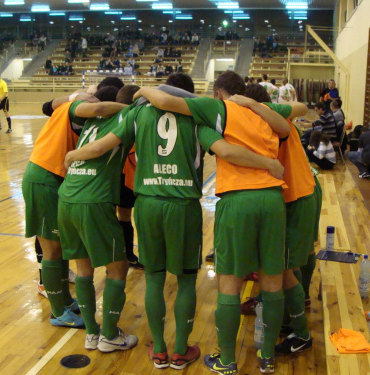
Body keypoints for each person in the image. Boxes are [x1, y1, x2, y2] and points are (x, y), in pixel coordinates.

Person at [63, 73, 286, 371]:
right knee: (185, 281)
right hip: (183, 206)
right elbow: (225, 150)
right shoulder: (195, 117)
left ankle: (159, 350)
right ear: (189, 95)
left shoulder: (138, 111)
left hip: (148, 204)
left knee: (154, 279)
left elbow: (100, 146)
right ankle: (181, 350)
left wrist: (72, 155)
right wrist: (268, 164)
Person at [128, 71, 290, 374]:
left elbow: (223, 148)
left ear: (217, 93)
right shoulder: (264, 113)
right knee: (271, 281)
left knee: (227, 284)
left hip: (233, 200)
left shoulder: (216, 110)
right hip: (272, 199)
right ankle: (267, 355)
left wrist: (141, 91)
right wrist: (268, 156)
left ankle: (226, 359)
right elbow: (292, 119)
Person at [22, 92, 119, 326]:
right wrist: (133, 108)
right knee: (52, 250)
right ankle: (57, 312)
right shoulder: (77, 108)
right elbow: (97, 109)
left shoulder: (64, 105)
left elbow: (49, 103)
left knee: (62, 247)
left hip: (51, 179)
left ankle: (64, 300)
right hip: (43, 178)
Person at [58, 86, 139, 353]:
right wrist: (72, 154)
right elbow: (97, 149)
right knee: (118, 268)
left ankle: (91, 333)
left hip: (67, 197)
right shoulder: (127, 117)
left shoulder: (92, 119)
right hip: (93, 199)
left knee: (84, 268)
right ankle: (109, 335)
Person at [237, 83, 316, 353]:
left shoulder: (266, 114)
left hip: (297, 197)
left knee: (284, 269)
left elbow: (304, 108)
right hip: (295, 195)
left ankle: (302, 333)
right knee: (283, 267)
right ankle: (288, 319)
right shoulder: (268, 116)